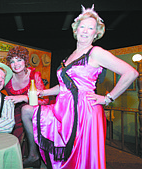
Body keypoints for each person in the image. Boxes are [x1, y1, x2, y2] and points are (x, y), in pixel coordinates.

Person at [25, 4, 138, 169]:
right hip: (63, 109)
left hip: (85, 111)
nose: (85, 31)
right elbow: (64, 87)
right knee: (28, 110)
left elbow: (131, 73)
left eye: (90, 28)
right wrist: (43, 92)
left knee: (83, 159)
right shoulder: (69, 57)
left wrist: (108, 98)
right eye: (82, 27)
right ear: (75, 30)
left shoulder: (96, 52)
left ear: (96, 33)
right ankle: (33, 155)